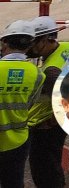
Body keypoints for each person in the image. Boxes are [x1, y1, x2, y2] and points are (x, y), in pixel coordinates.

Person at [26, 17, 69, 188]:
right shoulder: (67, 48)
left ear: (47, 39)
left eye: (34, 42)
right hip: (54, 124)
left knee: (44, 170)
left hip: (44, 126)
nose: (30, 47)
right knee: (52, 164)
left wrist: (53, 121)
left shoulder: (51, 72)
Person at [0, 21, 44, 188]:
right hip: (18, 140)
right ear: (29, 45)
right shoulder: (37, 74)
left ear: (4, 42)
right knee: (14, 182)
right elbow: (30, 102)